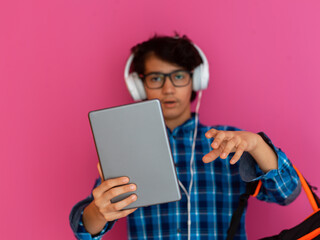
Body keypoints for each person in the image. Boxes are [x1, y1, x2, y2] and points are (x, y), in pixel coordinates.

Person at [69, 34, 301, 240]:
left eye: (178, 76)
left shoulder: (229, 143)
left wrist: (258, 145)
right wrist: (98, 212)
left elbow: (287, 193)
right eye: (156, 78)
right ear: (140, 87)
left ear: (195, 82)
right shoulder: (125, 150)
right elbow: (84, 229)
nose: (168, 89)